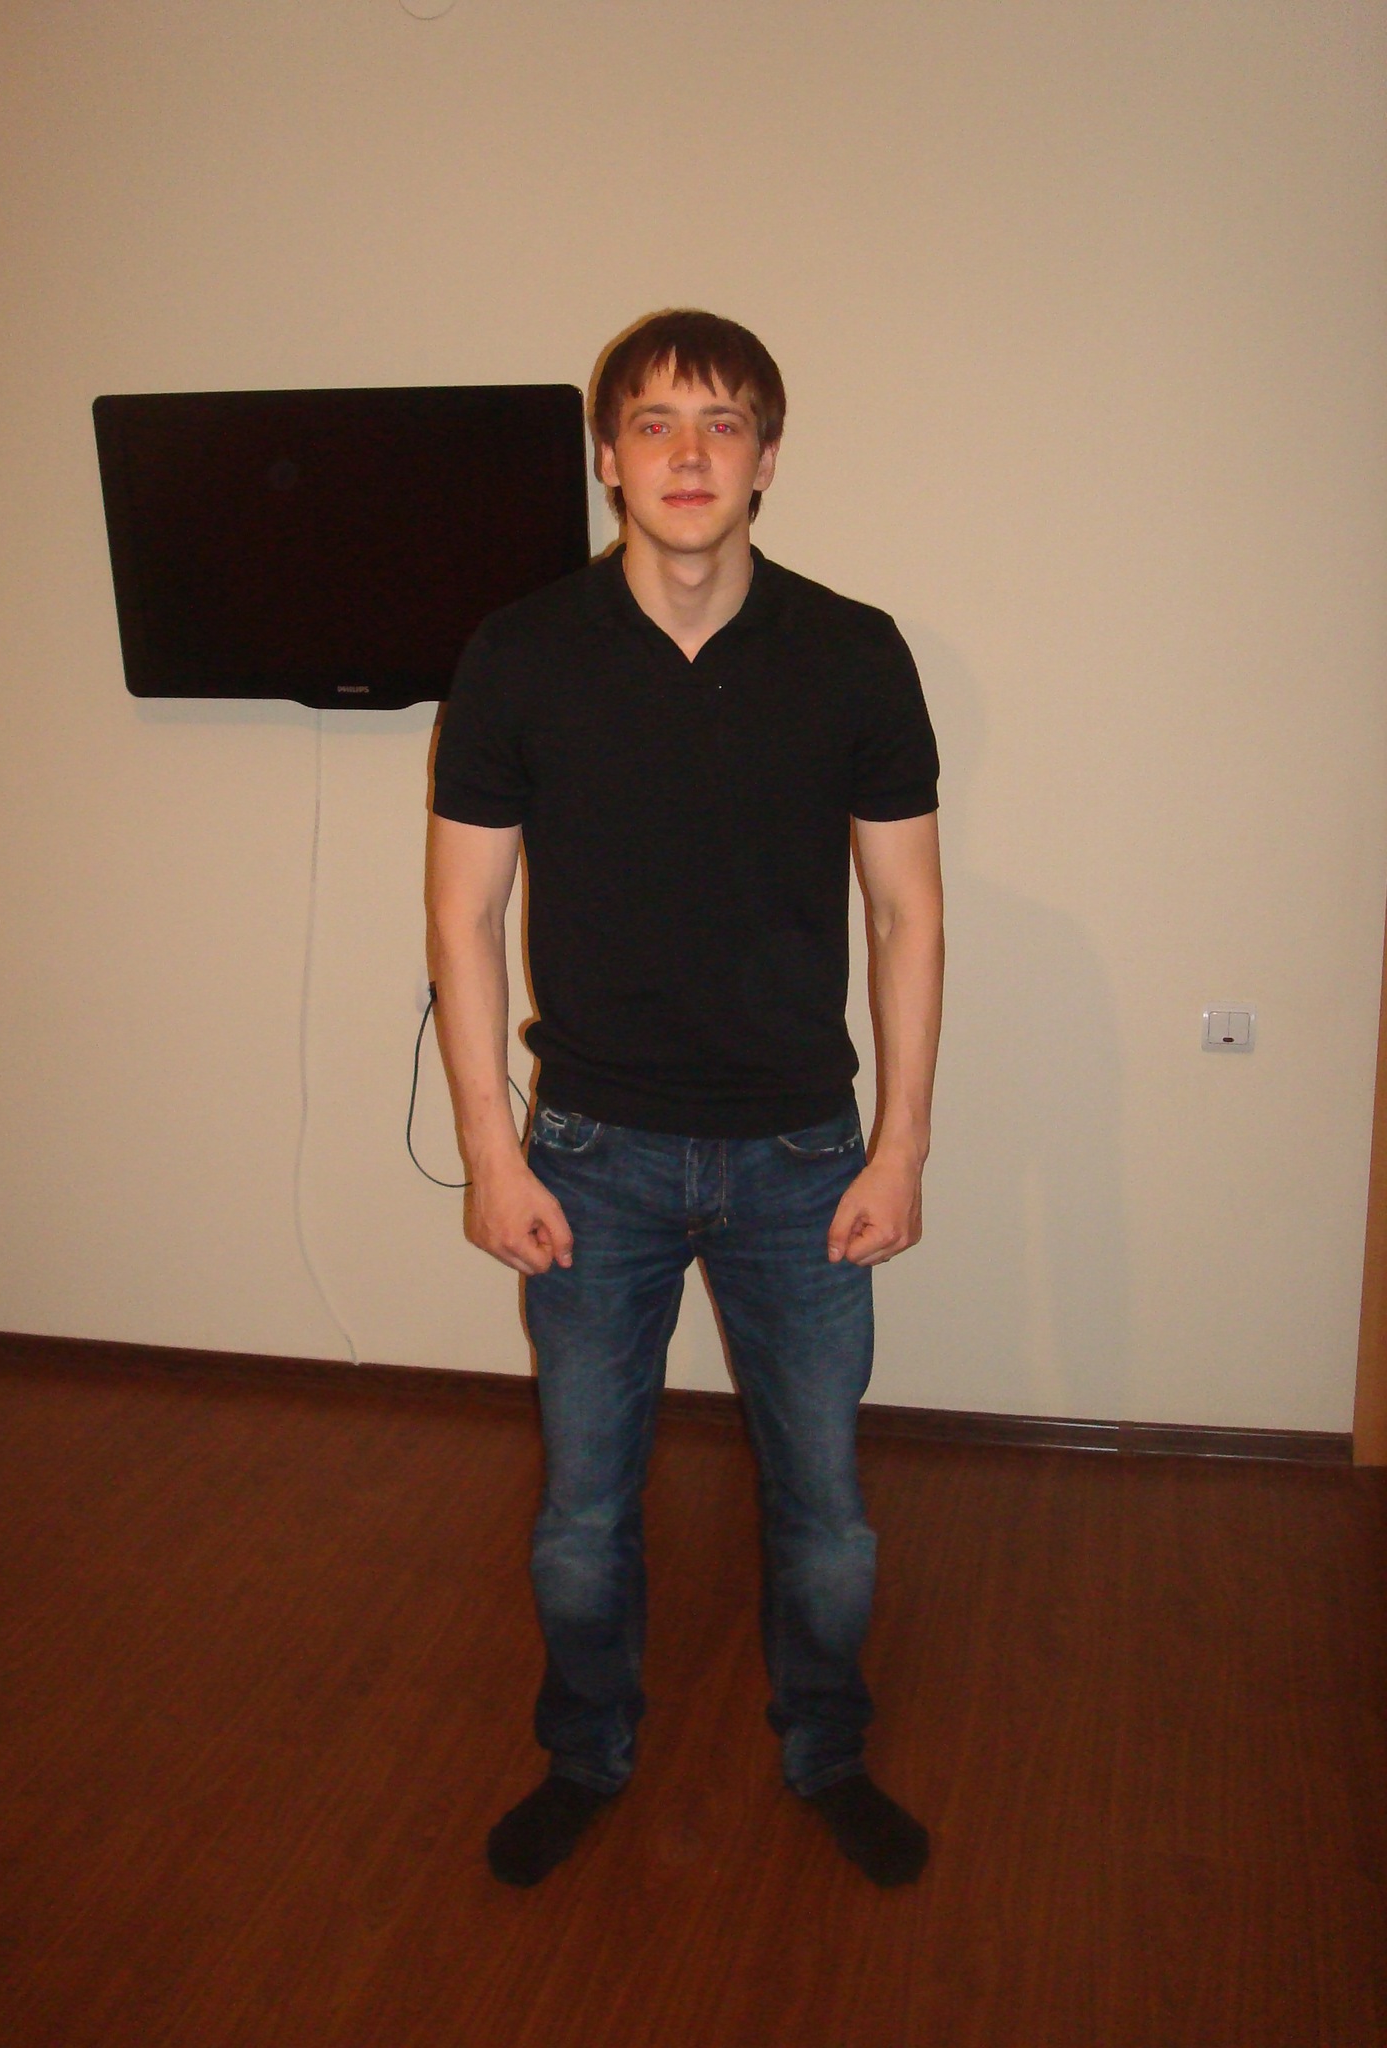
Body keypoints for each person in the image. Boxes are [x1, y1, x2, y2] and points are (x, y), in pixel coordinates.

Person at [427, 309, 943, 1889]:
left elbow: (907, 913)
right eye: (656, 422)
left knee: (826, 1515)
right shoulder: (519, 654)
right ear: (610, 457)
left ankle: (826, 1750)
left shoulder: (854, 652)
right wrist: (493, 1153)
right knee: (584, 1514)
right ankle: (585, 1753)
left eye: (724, 423)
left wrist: (902, 1147)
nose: (690, 453)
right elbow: (462, 916)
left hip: (803, 1153)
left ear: (768, 457)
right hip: (593, 1153)